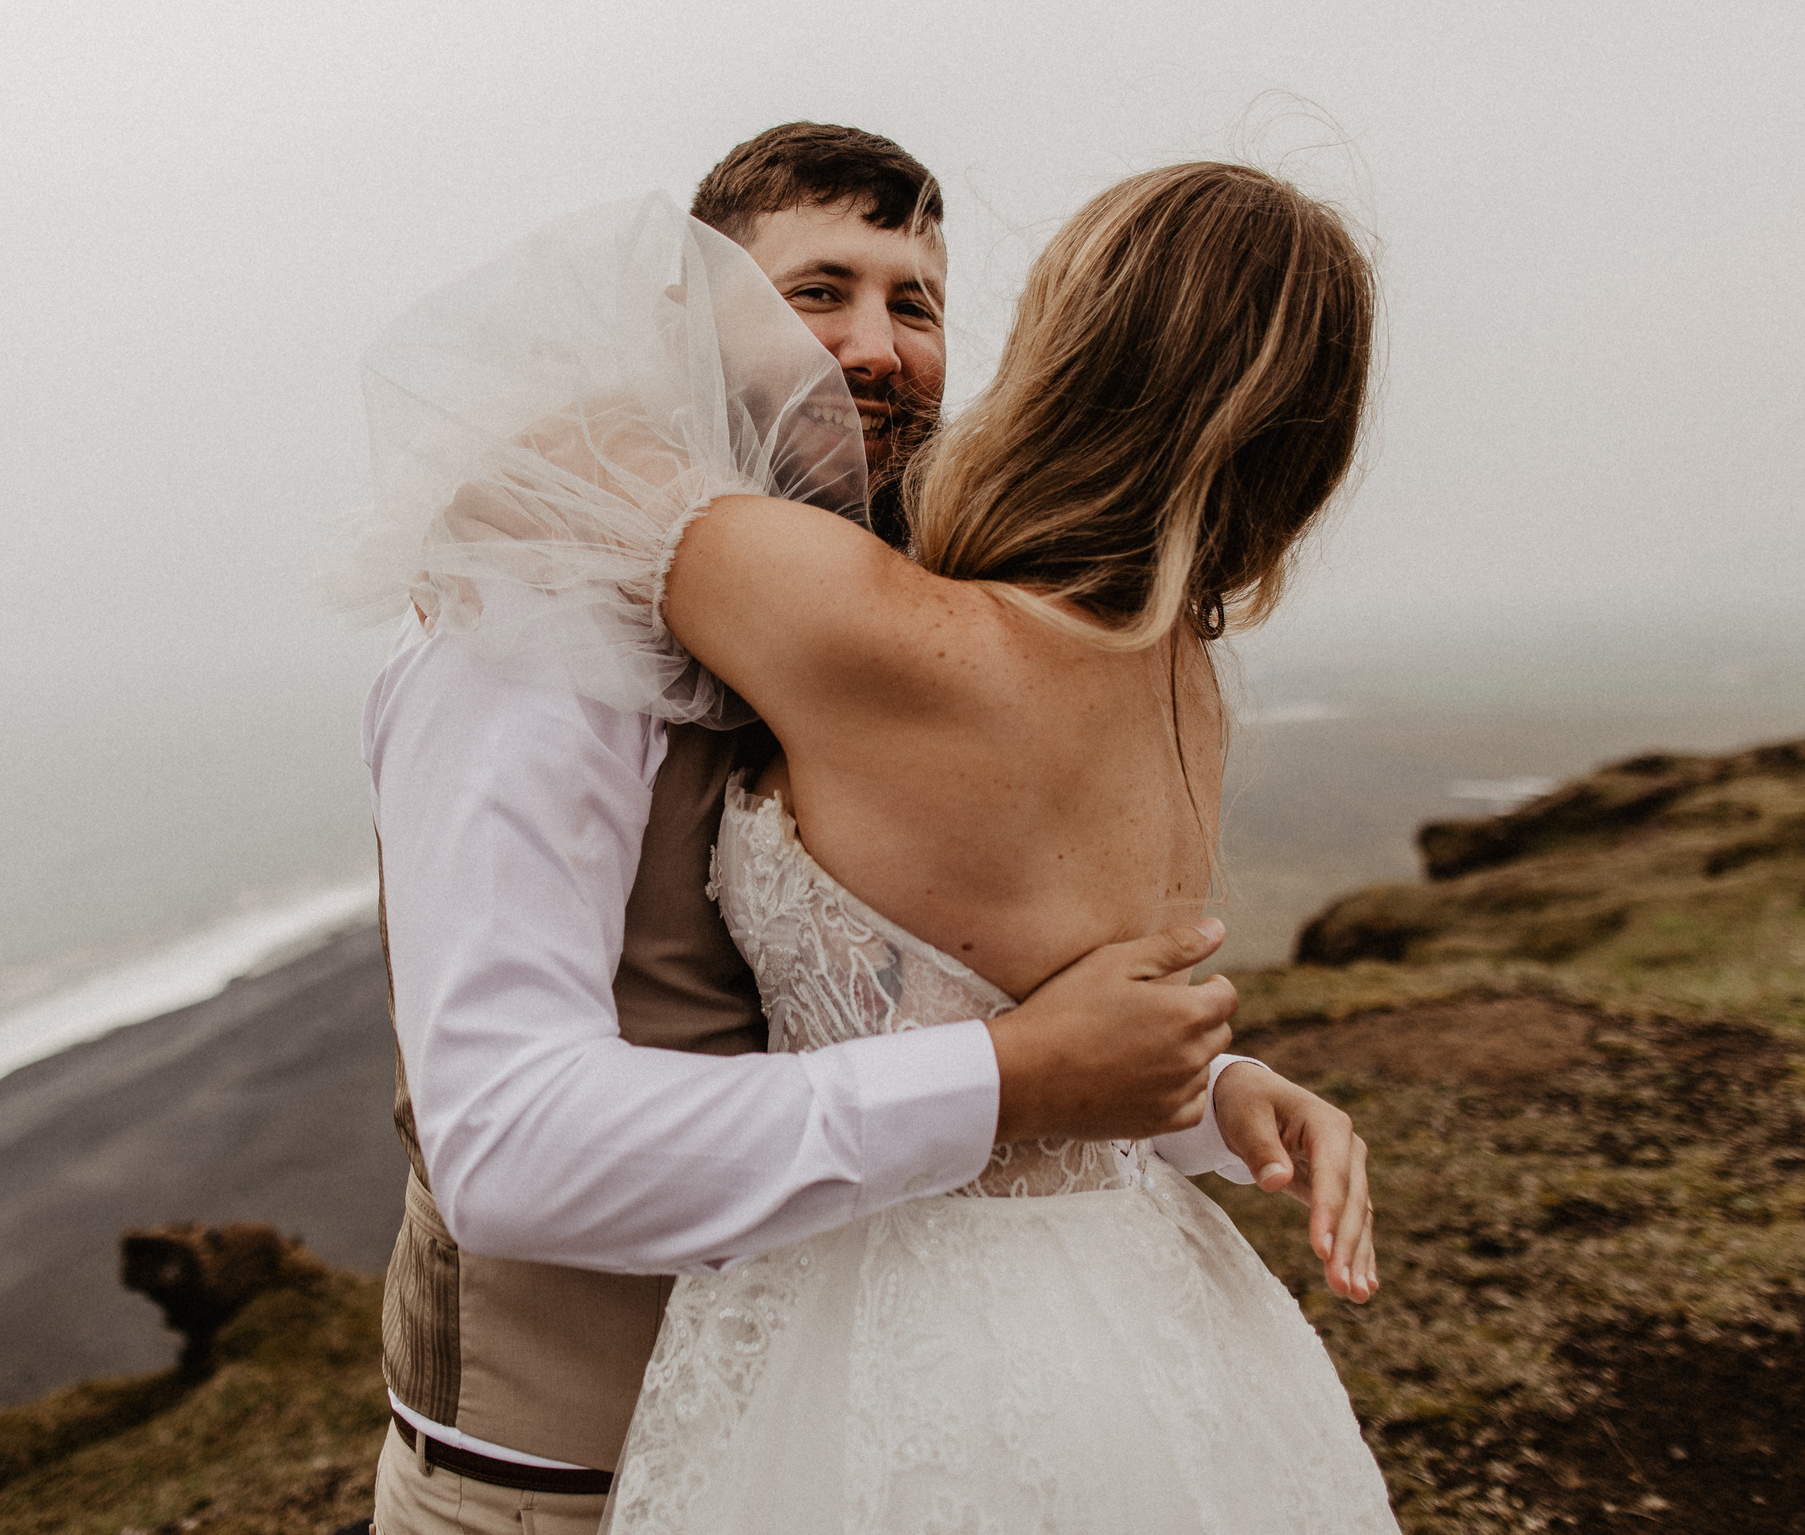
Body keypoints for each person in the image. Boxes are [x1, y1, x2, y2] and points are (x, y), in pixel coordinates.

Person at [355, 127, 1380, 1535]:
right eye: (815, 290)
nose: (877, 344)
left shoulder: (918, 606)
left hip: (904, 1429)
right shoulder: (527, 623)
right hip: (560, 1473)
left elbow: (953, 971)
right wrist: (1013, 1078)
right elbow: (510, 1145)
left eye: (917, 303)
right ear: (680, 319)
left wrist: (1184, 1091)